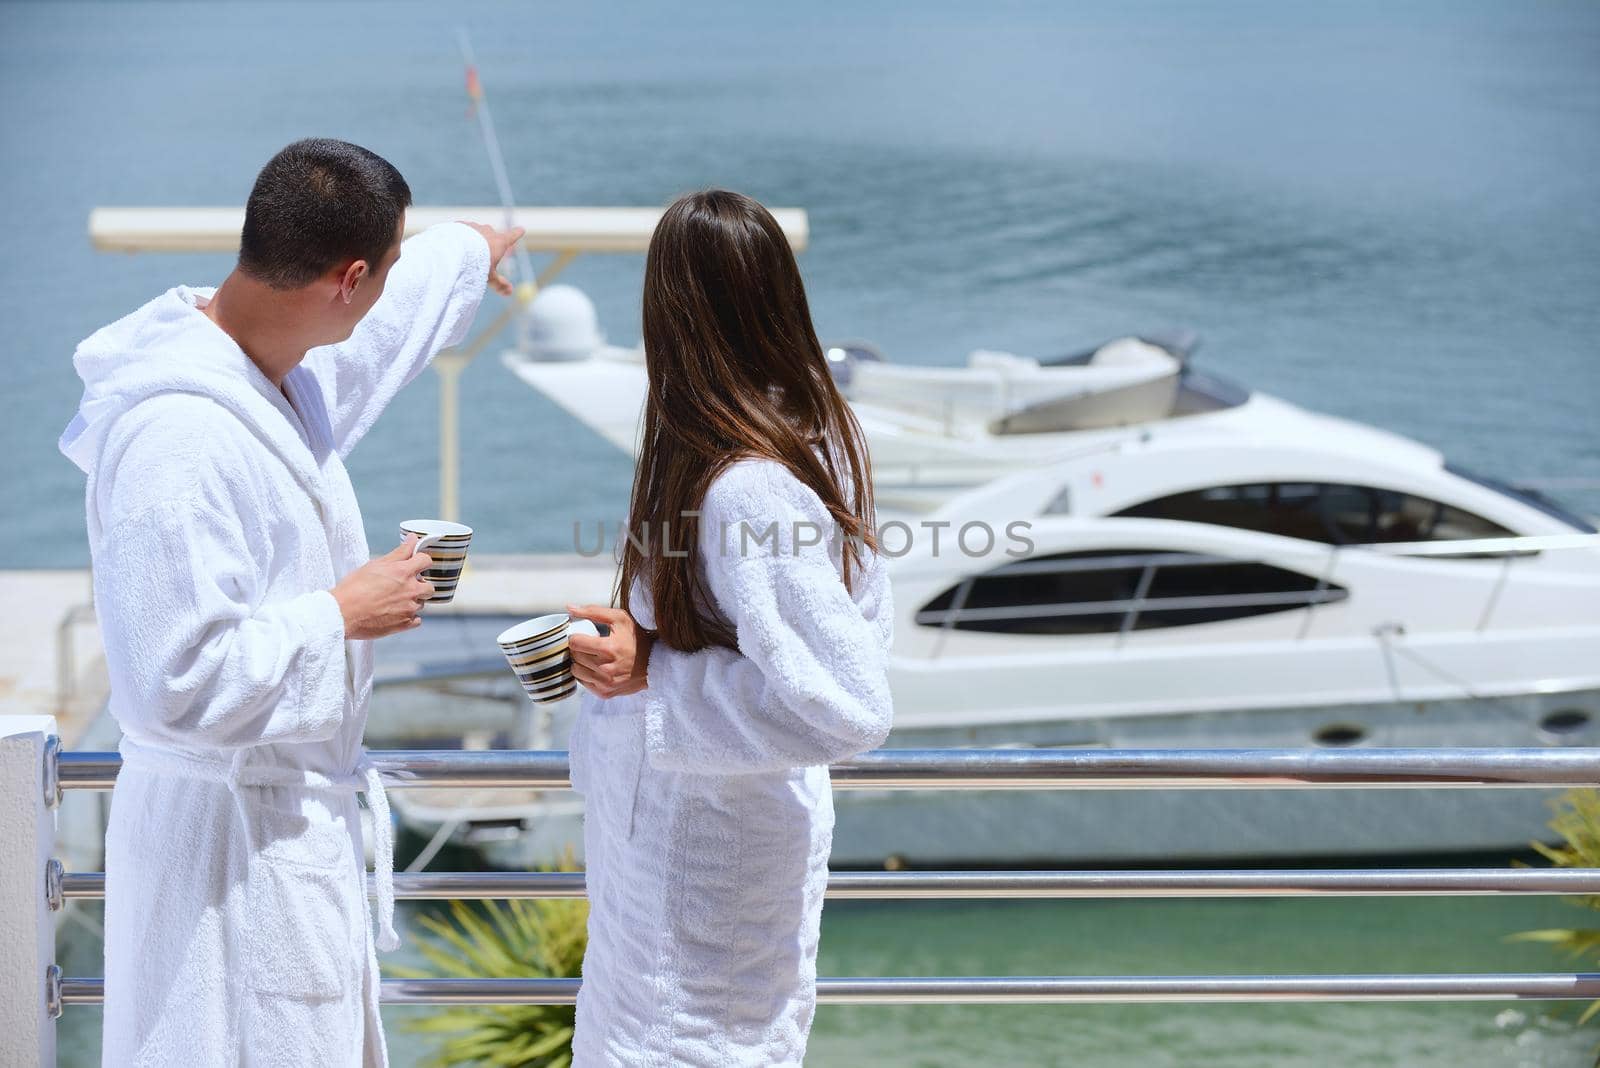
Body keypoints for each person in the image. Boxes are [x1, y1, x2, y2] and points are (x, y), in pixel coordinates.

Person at [58, 137, 522, 1066]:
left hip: (276, 847)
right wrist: (342, 613)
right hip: (222, 862)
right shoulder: (178, 440)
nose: (389, 291)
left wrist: (470, 249)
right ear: (347, 278)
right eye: (387, 270)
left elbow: (378, 344)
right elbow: (171, 688)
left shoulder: (270, 377)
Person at [564, 189, 896, 1066]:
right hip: (686, 861)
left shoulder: (749, 485)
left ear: (670, 314)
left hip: (705, 877)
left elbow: (848, 705)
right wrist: (642, 651)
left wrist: (654, 676)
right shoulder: (810, 438)